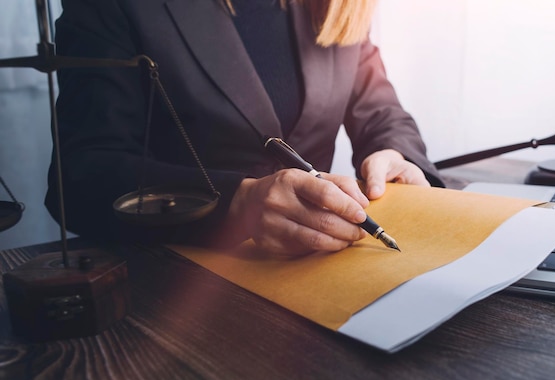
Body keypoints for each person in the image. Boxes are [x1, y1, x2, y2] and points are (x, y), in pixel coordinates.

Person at [46, 0, 444, 256]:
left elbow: (380, 109)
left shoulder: (339, 5)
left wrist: (395, 153)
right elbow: (80, 176)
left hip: (326, 275)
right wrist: (237, 203)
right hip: (173, 291)